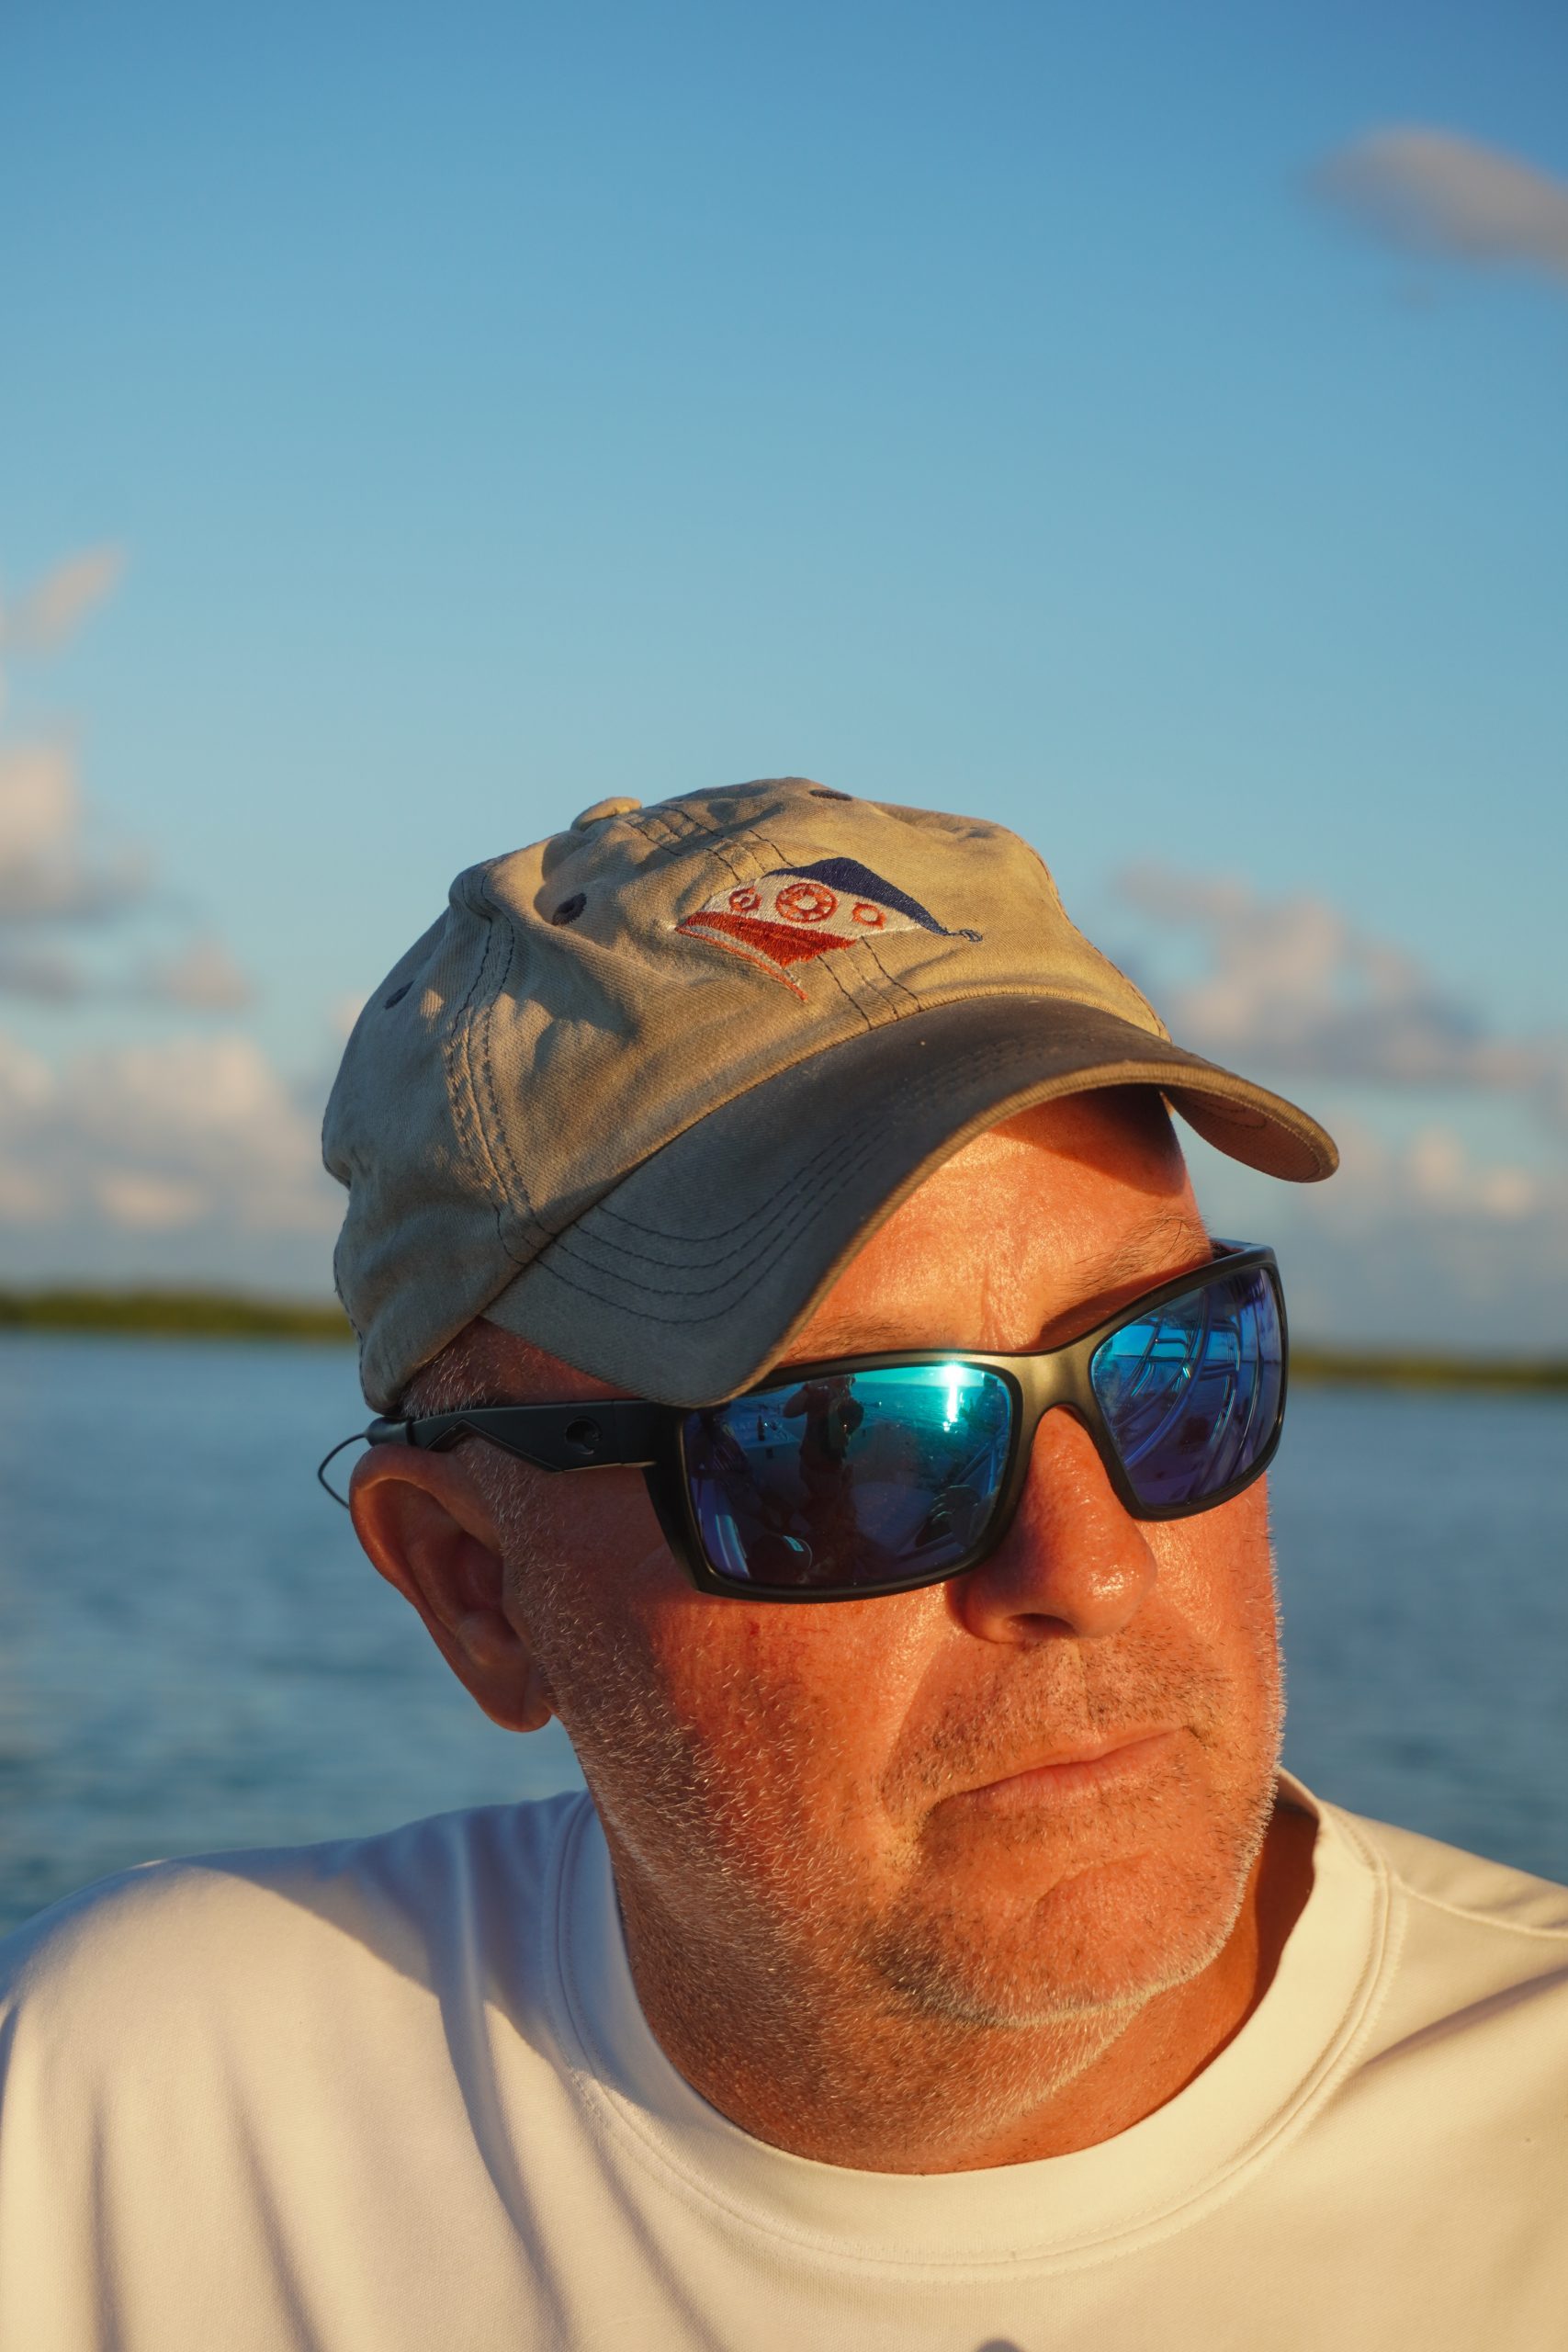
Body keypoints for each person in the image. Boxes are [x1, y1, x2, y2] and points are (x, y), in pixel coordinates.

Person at [0, 778, 1562, 2350]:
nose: (1091, 1571)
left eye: (1176, 1362)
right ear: (478, 1590)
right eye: (848, 1448)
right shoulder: (120, 2134)